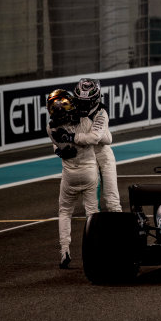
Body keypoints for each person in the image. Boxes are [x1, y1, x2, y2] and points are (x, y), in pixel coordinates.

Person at [46, 88, 110, 269]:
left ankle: (64, 251)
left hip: (69, 175)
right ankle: (96, 251)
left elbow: (58, 147)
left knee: (64, 212)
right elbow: (101, 138)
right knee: (92, 214)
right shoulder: (85, 121)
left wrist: (65, 143)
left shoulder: (51, 128)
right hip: (89, 171)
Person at [73, 78, 122, 214]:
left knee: (113, 200)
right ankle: (94, 231)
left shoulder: (101, 112)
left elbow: (95, 138)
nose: (83, 104)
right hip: (86, 157)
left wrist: (75, 138)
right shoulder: (70, 111)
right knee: (91, 205)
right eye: (80, 101)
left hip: (103, 154)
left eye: (86, 102)